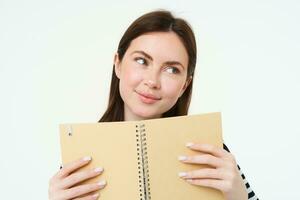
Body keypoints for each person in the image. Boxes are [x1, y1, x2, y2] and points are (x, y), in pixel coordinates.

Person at [48, 10, 259, 200]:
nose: (152, 81)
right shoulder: (80, 156)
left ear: (185, 85)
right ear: (118, 64)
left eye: (171, 69)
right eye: (141, 61)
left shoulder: (212, 153)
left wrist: (240, 198)